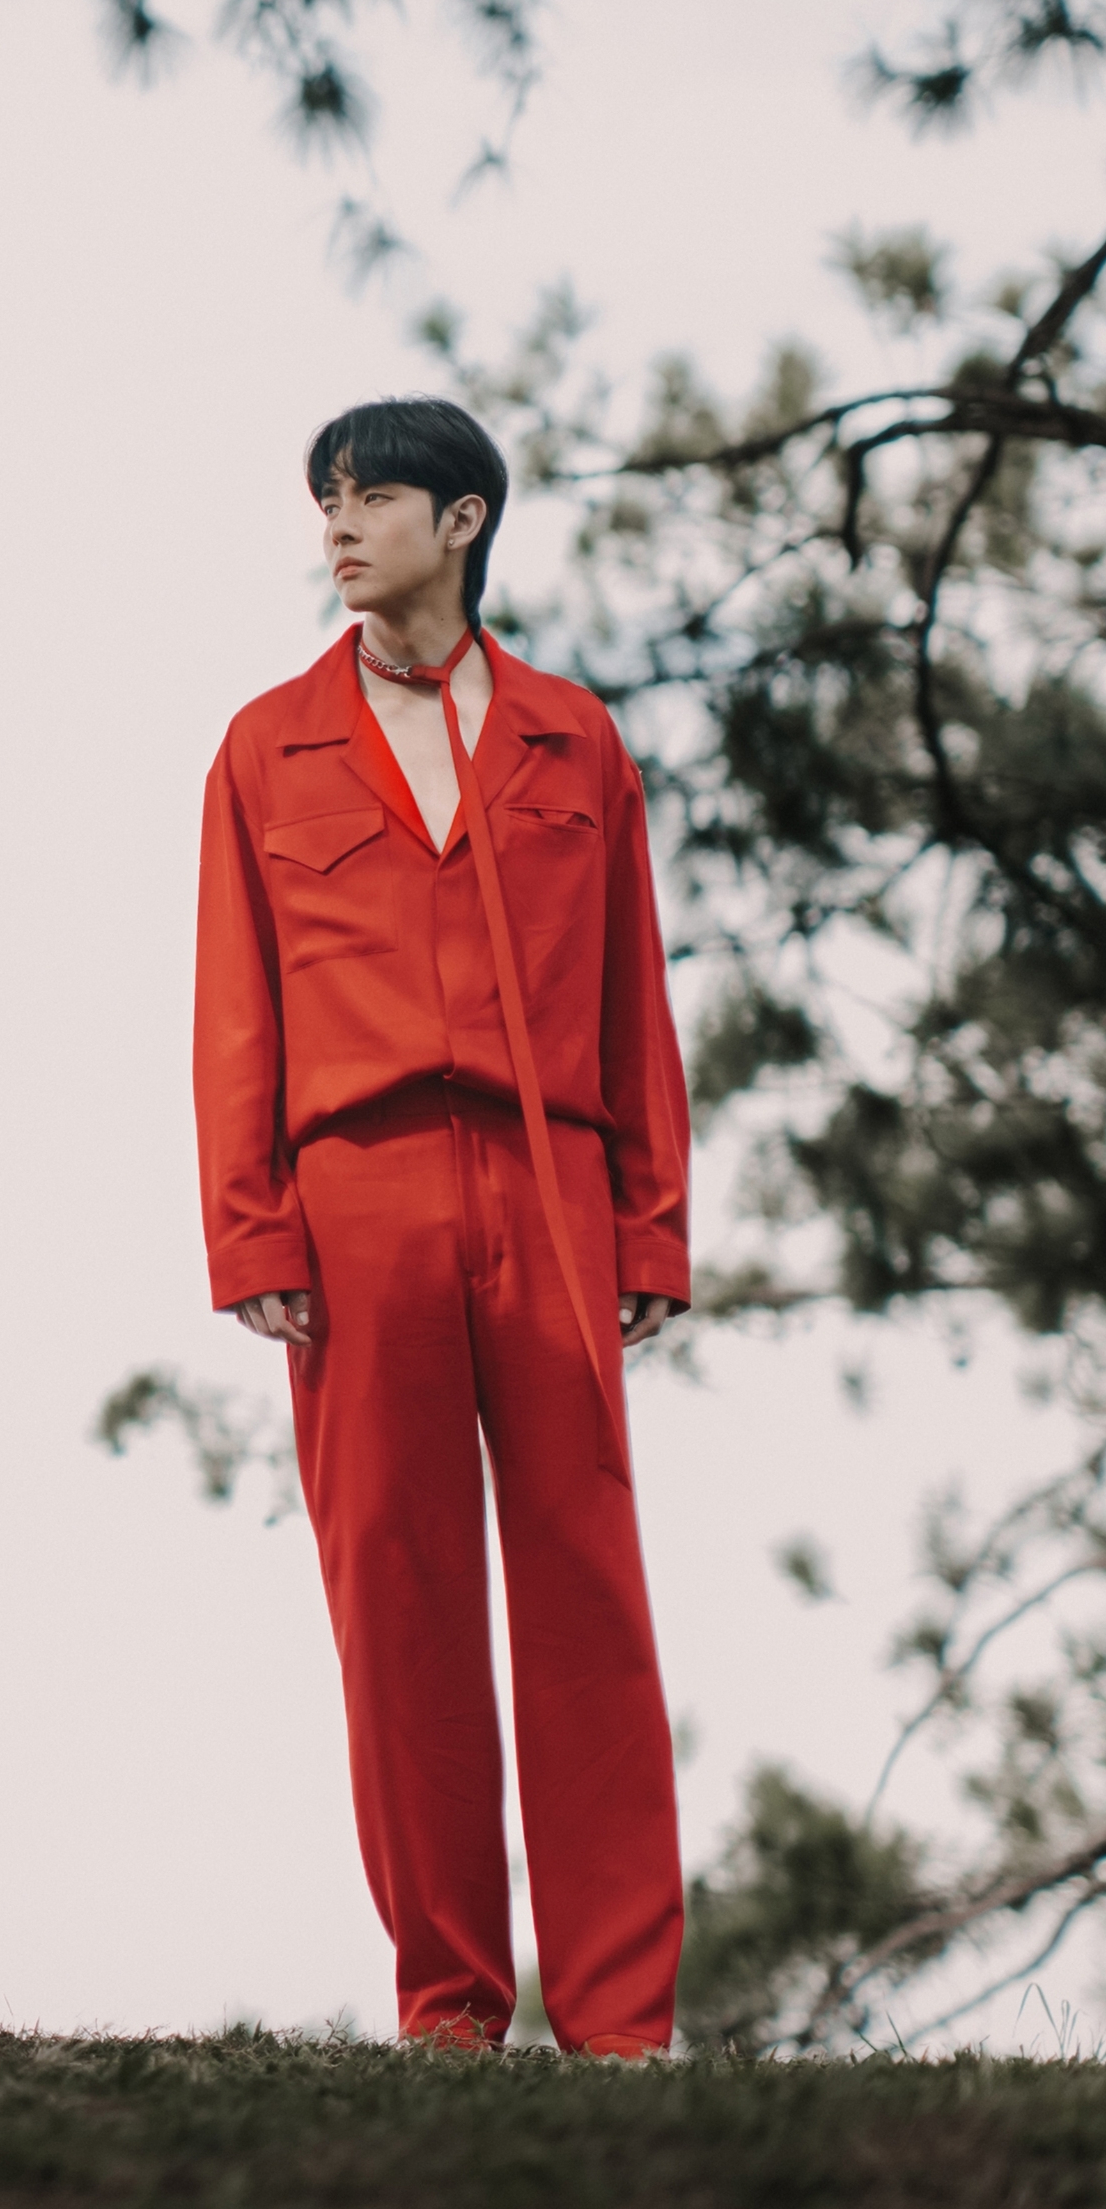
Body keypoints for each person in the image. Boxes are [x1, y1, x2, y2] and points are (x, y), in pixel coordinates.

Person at [191, 396, 692, 2056]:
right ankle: (449, 2008)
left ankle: (621, 2022)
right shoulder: (266, 744)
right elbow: (233, 1010)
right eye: (322, 498)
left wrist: (650, 1230)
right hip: (354, 1204)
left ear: (462, 521)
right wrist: (250, 1232)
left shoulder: (573, 740)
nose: (336, 527)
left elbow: (634, 1000)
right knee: (392, 1599)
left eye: (371, 498)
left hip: (549, 1188)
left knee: (586, 1598)